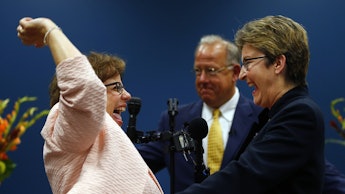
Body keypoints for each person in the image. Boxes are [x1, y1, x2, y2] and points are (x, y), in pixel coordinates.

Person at [176, 15, 325, 194]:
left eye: (248, 63)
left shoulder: (300, 114)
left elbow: (244, 176)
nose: (242, 75)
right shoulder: (275, 114)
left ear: (278, 63)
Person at [17, 17, 163, 194]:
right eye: (116, 87)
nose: (127, 95)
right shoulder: (66, 125)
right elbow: (85, 88)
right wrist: (49, 29)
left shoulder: (102, 137)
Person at [137, 34, 262, 192]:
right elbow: (135, 165)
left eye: (211, 70)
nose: (202, 79)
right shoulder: (174, 120)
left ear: (235, 72)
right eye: (197, 71)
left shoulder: (261, 118)